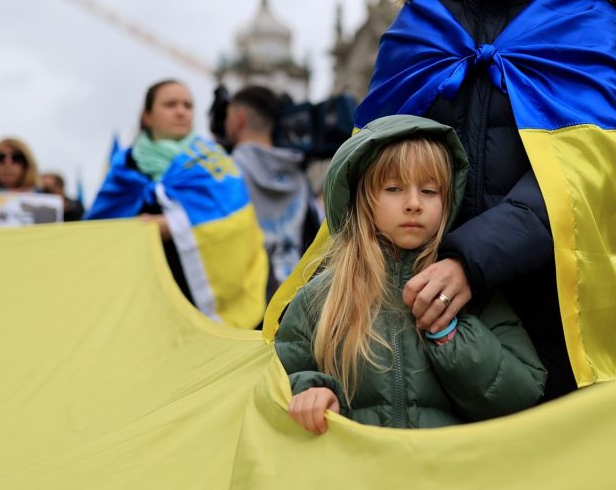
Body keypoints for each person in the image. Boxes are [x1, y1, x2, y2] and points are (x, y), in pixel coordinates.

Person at [268, 0, 616, 400]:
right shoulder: (421, 24)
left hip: (553, 296)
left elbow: (583, 172)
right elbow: (372, 164)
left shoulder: (586, 21)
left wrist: (471, 261)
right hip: (416, 293)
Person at [275, 115, 546, 432]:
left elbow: (523, 393)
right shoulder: (321, 297)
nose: (414, 203)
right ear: (362, 199)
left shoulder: (470, 292)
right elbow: (279, 381)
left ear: (448, 201)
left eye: (430, 191)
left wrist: (450, 335)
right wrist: (311, 391)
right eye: (394, 188)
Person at [87, 79, 268, 329]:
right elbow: (97, 231)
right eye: (170, 105)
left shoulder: (213, 161)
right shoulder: (123, 167)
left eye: (188, 105)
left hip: (196, 304)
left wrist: (174, 225)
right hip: (138, 302)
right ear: (147, 116)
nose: (181, 111)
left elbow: (239, 223)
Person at [224, 85, 321, 300]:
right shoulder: (298, 174)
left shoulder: (227, 171)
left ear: (239, 119)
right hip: (294, 297)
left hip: (246, 298)